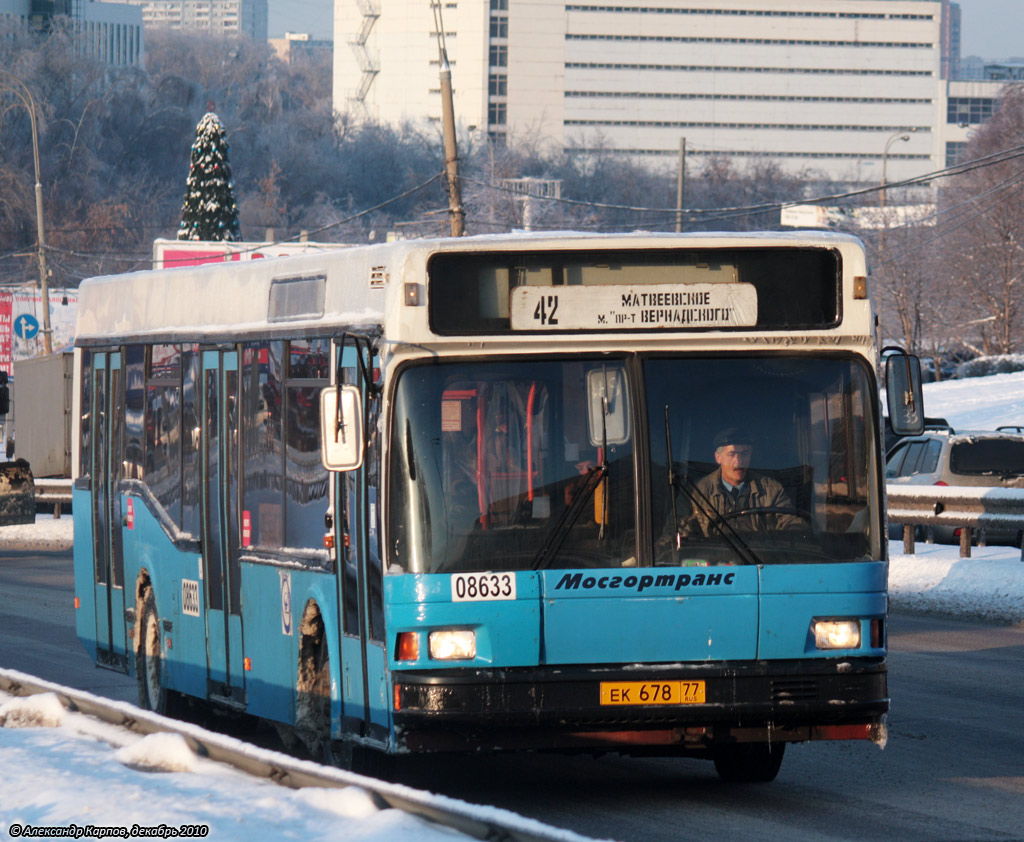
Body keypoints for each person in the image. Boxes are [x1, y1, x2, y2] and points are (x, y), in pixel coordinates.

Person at [677, 427, 802, 540]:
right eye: (732, 454)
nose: (739, 462)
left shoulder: (772, 490)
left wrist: (793, 533)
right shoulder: (695, 493)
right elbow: (675, 531)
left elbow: (791, 524)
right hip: (713, 560)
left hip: (760, 560)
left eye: (745, 453)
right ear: (718, 458)